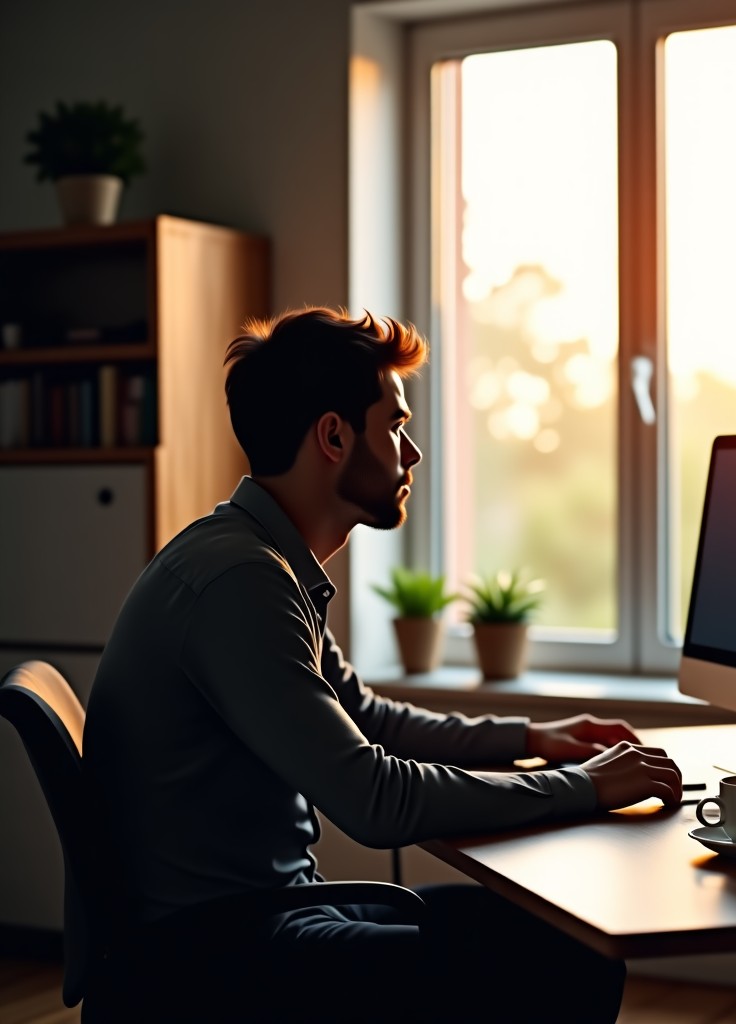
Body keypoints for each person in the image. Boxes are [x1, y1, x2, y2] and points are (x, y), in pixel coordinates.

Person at [82, 305, 683, 1023]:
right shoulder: (240, 582)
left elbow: (365, 718)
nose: (413, 452)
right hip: (214, 961)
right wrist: (579, 787)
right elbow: (375, 799)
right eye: (395, 425)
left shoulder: (261, 561)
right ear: (334, 436)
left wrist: (530, 740)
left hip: (262, 920)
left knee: (552, 932)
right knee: (568, 957)